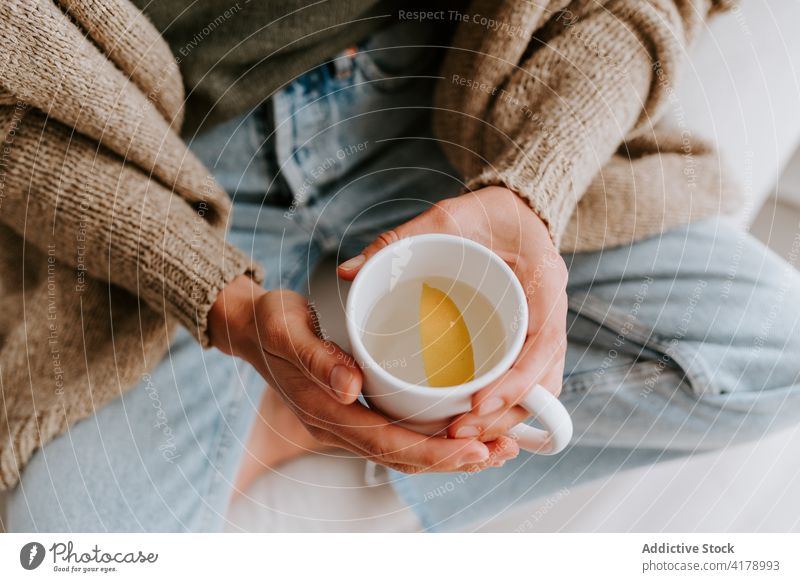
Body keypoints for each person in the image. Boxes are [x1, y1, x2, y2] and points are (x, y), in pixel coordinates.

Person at [1, 0, 798, 532]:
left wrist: (536, 181)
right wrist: (221, 303)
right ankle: (325, 402)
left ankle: (301, 424)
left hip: (454, 99)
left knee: (779, 347)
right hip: (163, 152)